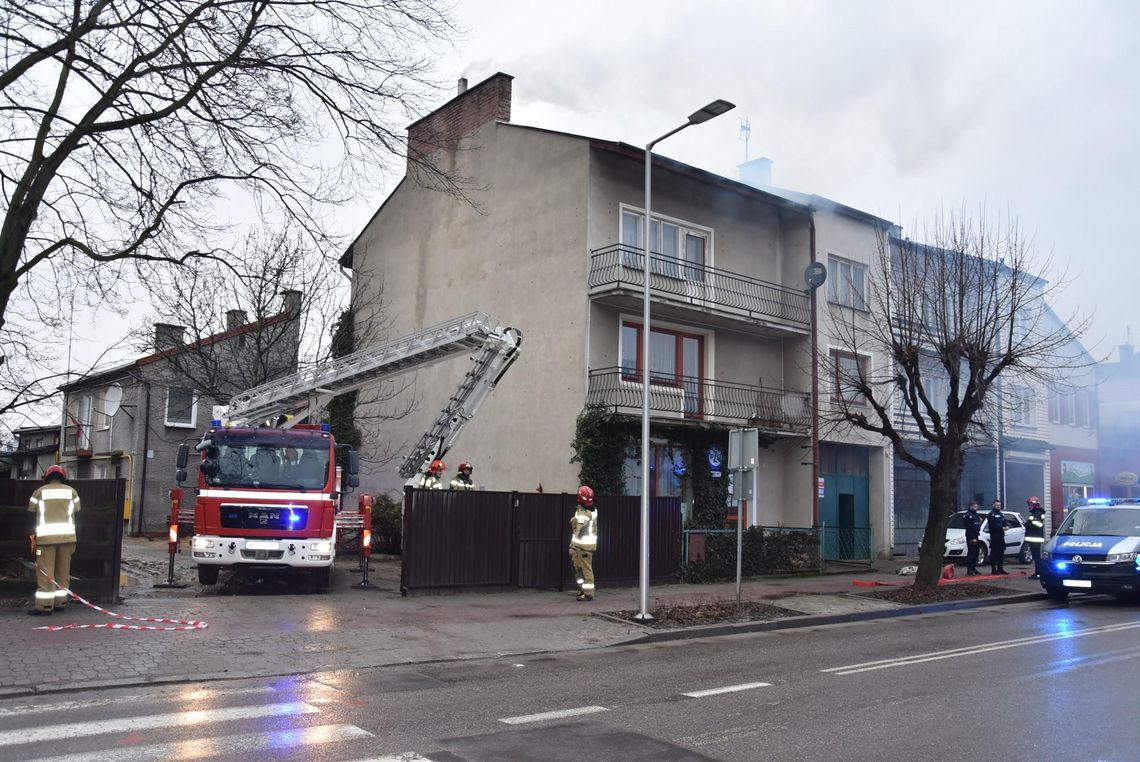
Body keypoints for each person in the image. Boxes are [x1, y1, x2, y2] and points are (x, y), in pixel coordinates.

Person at [27, 465, 81, 616]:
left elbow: (30, 514)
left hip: (45, 540)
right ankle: (60, 603)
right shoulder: (72, 492)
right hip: (68, 539)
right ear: (63, 477)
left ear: (47, 477)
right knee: (63, 572)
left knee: (45, 574)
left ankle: (44, 606)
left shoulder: (38, 493)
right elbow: (78, 511)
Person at [569, 485, 598, 601]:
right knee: (576, 566)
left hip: (583, 546)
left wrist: (572, 546)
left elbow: (579, 530)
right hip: (584, 545)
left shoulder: (582, 512)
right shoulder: (592, 509)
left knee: (585, 569)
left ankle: (588, 593)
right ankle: (583, 589)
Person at [1025, 496, 1046, 579]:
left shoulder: (1038, 513)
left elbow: (1038, 525)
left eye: (1030, 504)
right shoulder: (1035, 513)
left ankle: (1039, 574)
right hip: (1034, 539)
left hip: (1036, 539)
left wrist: (1027, 524)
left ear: (1035, 504)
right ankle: (1037, 573)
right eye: (1029, 504)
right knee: (1035, 558)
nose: (1029, 506)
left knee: (1037, 558)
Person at [986, 499, 1009, 574]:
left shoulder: (1001, 514)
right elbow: (992, 525)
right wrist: (1001, 527)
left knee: (1001, 552)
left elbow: (1005, 523)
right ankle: (993, 569)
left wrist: (1005, 527)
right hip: (994, 536)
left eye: (999, 505)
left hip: (1001, 536)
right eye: (997, 505)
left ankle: (1000, 568)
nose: (998, 506)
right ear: (993, 505)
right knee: (994, 553)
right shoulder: (991, 514)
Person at [963, 499, 983, 576]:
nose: (976, 508)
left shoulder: (975, 515)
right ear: (971, 506)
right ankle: (969, 569)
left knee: (976, 553)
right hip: (971, 536)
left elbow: (979, 522)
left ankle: (973, 568)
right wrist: (972, 538)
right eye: (975, 506)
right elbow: (968, 527)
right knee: (971, 553)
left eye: (976, 506)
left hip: (976, 535)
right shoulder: (967, 515)